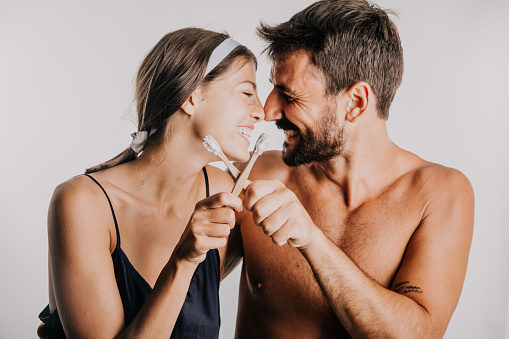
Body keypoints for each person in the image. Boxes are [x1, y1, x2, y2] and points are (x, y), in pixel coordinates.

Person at [229, 0, 475, 338]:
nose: (269, 111)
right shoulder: (256, 174)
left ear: (356, 102)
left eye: (288, 94)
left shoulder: (438, 194)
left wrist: (311, 239)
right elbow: (174, 281)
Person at [37, 27, 264, 338]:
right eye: (247, 93)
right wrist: (183, 260)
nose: (261, 111)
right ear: (192, 97)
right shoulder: (83, 203)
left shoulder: (224, 190)